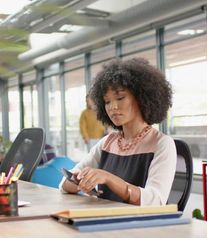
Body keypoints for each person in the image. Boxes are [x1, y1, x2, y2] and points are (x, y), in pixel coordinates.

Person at [60, 58, 177, 206]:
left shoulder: (162, 144)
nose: (112, 107)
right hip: (105, 221)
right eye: (107, 101)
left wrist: (108, 178)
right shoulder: (108, 142)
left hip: (138, 226)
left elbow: (155, 200)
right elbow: (64, 184)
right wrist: (79, 181)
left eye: (120, 98)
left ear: (142, 98)